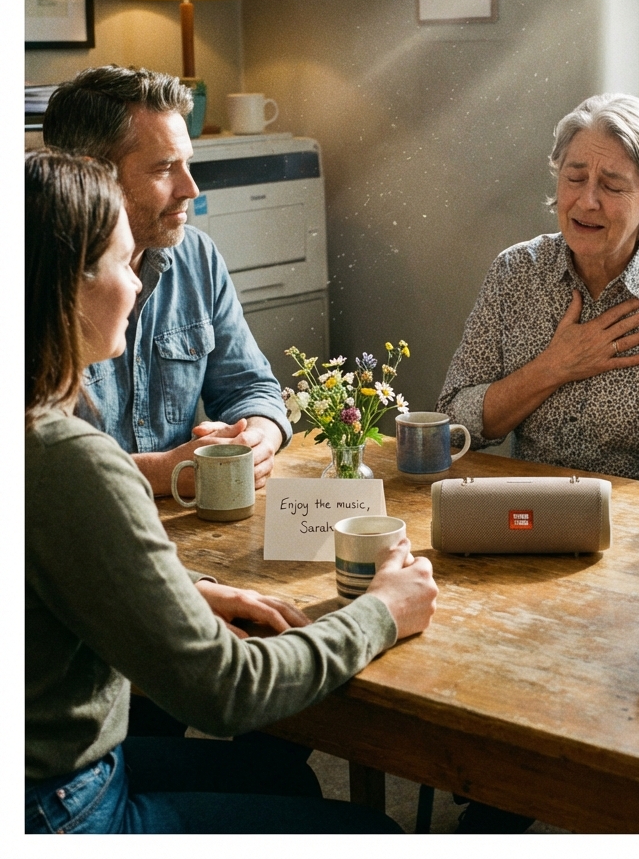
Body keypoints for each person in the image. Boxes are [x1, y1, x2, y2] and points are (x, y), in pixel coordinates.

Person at [25, 149, 438, 833]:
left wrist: (188, 590)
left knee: (276, 775)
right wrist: (385, 612)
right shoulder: (68, 458)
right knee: (372, 833)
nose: (138, 285)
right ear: (70, 285)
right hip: (62, 809)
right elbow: (225, 692)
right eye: (126, 266)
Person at [438, 92, 639, 486]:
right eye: (574, 179)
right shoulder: (516, 272)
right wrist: (554, 367)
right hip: (527, 514)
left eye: (611, 187)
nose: (586, 201)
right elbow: (453, 426)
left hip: (630, 530)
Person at [43, 65, 288, 500]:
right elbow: (29, 463)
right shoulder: (35, 277)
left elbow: (252, 386)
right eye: (164, 169)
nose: (190, 188)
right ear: (92, 173)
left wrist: (254, 442)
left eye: (187, 163)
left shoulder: (197, 255)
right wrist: (163, 472)